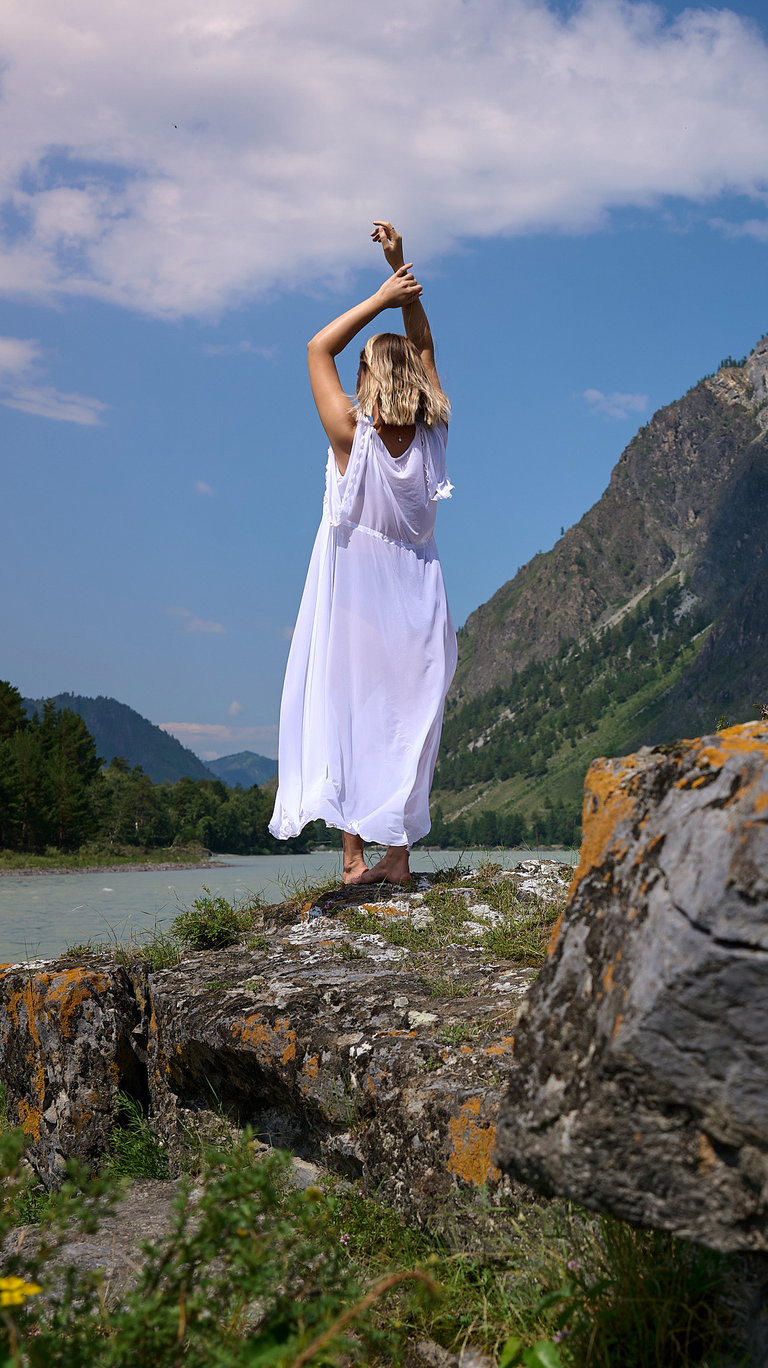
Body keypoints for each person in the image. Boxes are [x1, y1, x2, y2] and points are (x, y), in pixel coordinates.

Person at [268, 221, 456, 888]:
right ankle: (397, 861)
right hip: (421, 601)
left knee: (350, 715)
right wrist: (404, 272)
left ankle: (354, 861)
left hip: (358, 600)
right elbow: (426, 346)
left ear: (369, 375)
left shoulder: (353, 436)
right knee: (405, 727)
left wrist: (381, 295)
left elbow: (318, 345)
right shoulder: (432, 432)